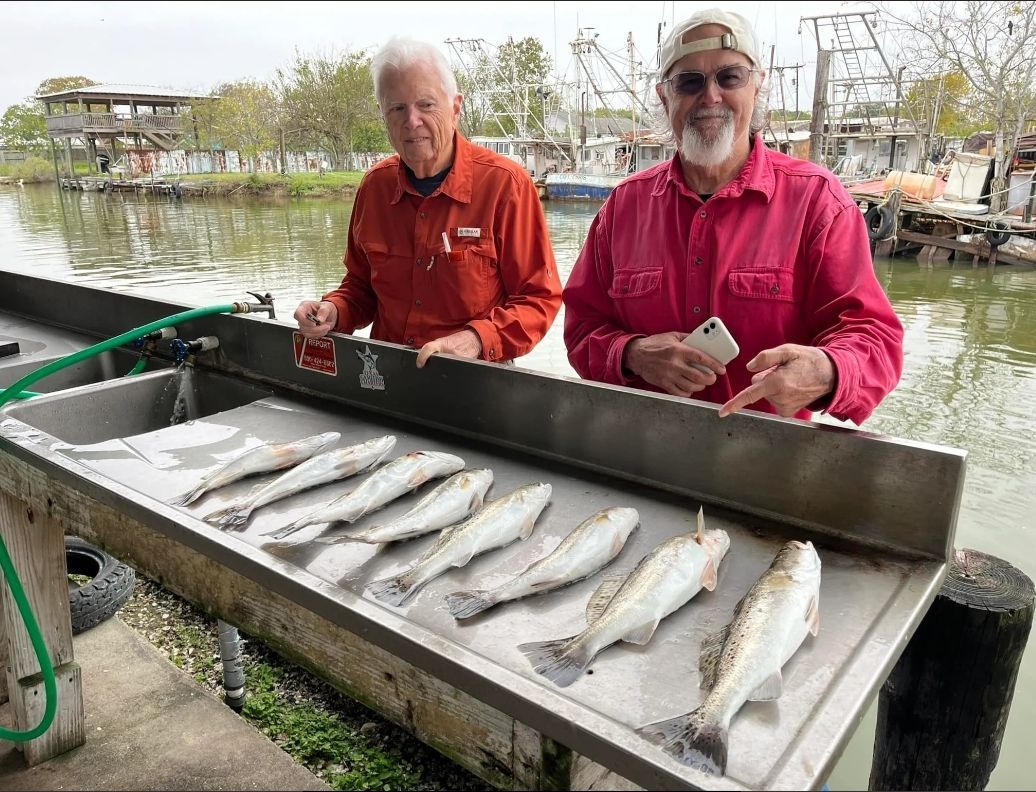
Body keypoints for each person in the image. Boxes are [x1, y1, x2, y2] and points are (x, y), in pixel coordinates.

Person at [562, 8, 903, 425]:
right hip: (642, 451)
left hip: (765, 464)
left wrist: (829, 370)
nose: (710, 96)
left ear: (757, 87)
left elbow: (875, 338)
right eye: (690, 81)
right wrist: (633, 354)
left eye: (729, 77)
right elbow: (581, 331)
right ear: (664, 95)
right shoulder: (623, 208)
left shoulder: (818, 201)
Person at [295, 38, 561, 368]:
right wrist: (334, 310)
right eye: (397, 108)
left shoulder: (506, 185)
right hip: (384, 375)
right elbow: (361, 287)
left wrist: (477, 339)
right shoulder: (374, 187)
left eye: (426, 104)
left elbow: (539, 298)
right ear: (383, 116)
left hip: (475, 379)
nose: (412, 120)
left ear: (455, 107)